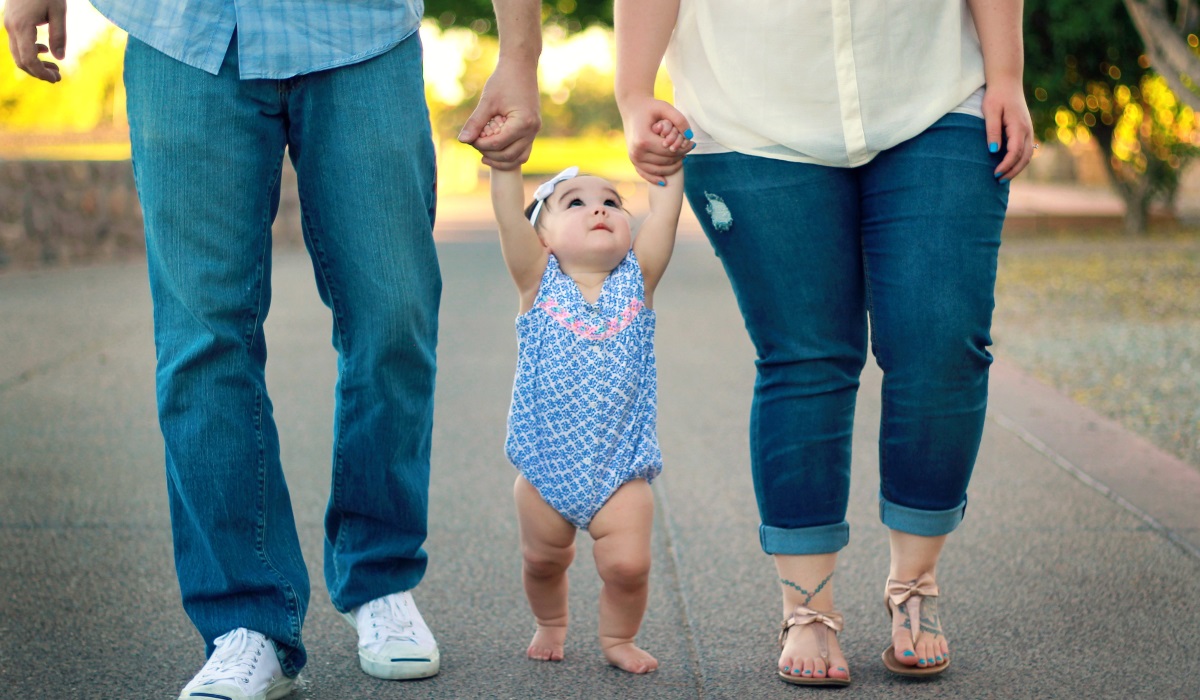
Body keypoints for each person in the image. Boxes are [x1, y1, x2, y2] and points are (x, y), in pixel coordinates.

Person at [5, 0, 542, 698]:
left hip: (362, 32)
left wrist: (520, 54)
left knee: (394, 314)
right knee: (202, 339)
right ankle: (245, 620)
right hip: (185, 33)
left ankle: (378, 576)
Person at [615, 0, 1034, 686]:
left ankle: (915, 586)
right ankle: (806, 607)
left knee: (941, 343)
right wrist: (634, 92)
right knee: (805, 356)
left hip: (937, 94)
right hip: (747, 112)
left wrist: (1007, 74)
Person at [485, 116, 690, 673]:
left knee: (628, 566)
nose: (599, 208)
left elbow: (665, 217)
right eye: (574, 203)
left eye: (612, 202)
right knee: (543, 560)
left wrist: (665, 169)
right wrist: (505, 167)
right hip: (545, 466)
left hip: (619, 469)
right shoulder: (538, 283)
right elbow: (508, 219)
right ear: (544, 237)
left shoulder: (638, 280)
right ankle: (551, 621)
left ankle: (618, 637)